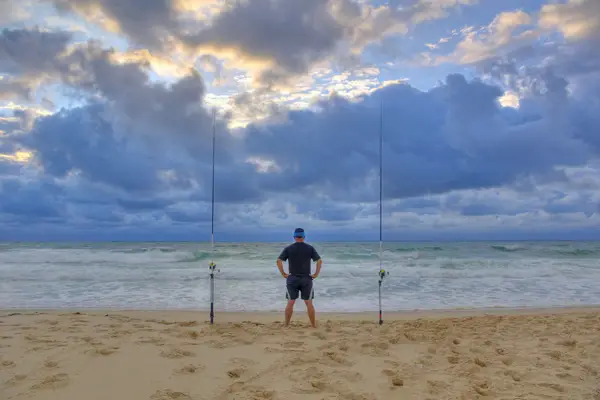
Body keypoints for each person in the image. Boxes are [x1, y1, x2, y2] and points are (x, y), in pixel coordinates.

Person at [276, 228, 322, 328]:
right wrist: (316, 274)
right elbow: (319, 261)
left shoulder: (289, 248)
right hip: (306, 279)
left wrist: (283, 273)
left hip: (292, 278)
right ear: (304, 237)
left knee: (290, 302)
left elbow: (279, 261)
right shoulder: (310, 248)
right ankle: (313, 325)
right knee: (309, 303)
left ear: (294, 237)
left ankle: (286, 325)